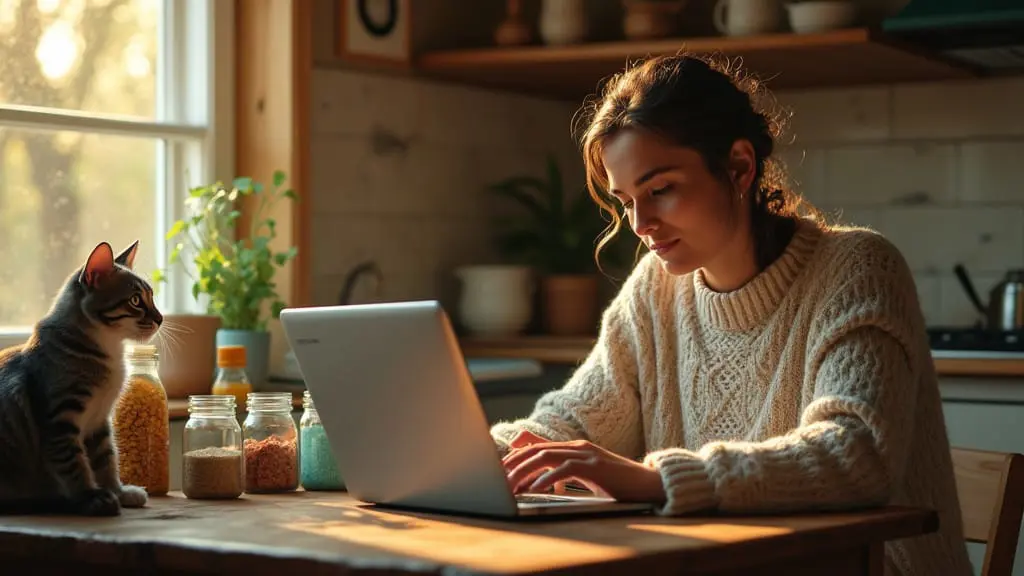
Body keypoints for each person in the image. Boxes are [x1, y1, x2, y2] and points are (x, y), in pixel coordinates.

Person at [490, 54, 973, 575]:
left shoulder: (856, 267)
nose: (640, 223)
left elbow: (855, 454)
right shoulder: (655, 288)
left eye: (660, 190)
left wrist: (658, 481)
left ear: (740, 166)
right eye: (626, 200)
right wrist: (473, 455)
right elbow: (571, 421)